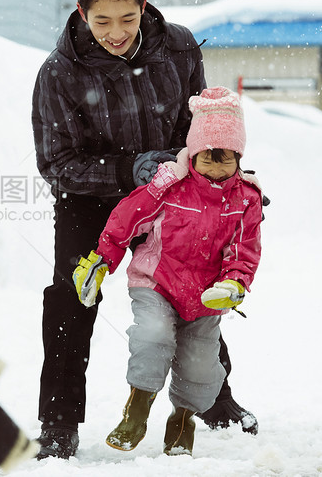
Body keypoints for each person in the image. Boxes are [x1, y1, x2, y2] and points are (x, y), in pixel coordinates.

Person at [31, 0, 254, 461]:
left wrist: (204, 176)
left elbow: (199, 126)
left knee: (191, 288)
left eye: (127, 19)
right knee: (72, 293)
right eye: (102, 20)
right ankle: (58, 422)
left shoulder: (177, 47)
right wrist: (127, 169)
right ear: (82, 13)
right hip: (89, 199)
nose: (116, 32)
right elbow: (57, 163)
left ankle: (216, 400)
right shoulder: (59, 72)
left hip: (171, 188)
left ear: (145, 6)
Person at [73, 86, 262, 456]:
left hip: (206, 295)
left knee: (200, 367)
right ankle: (136, 410)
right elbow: (126, 219)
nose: (216, 168)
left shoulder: (246, 199)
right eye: (208, 158)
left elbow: (245, 250)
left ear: (239, 157)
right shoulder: (169, 184)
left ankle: (182, 422)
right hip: (157, 284)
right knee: (153, 336)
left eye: (227, 160)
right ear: (193, 152)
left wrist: (234, 283)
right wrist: (102, 259)